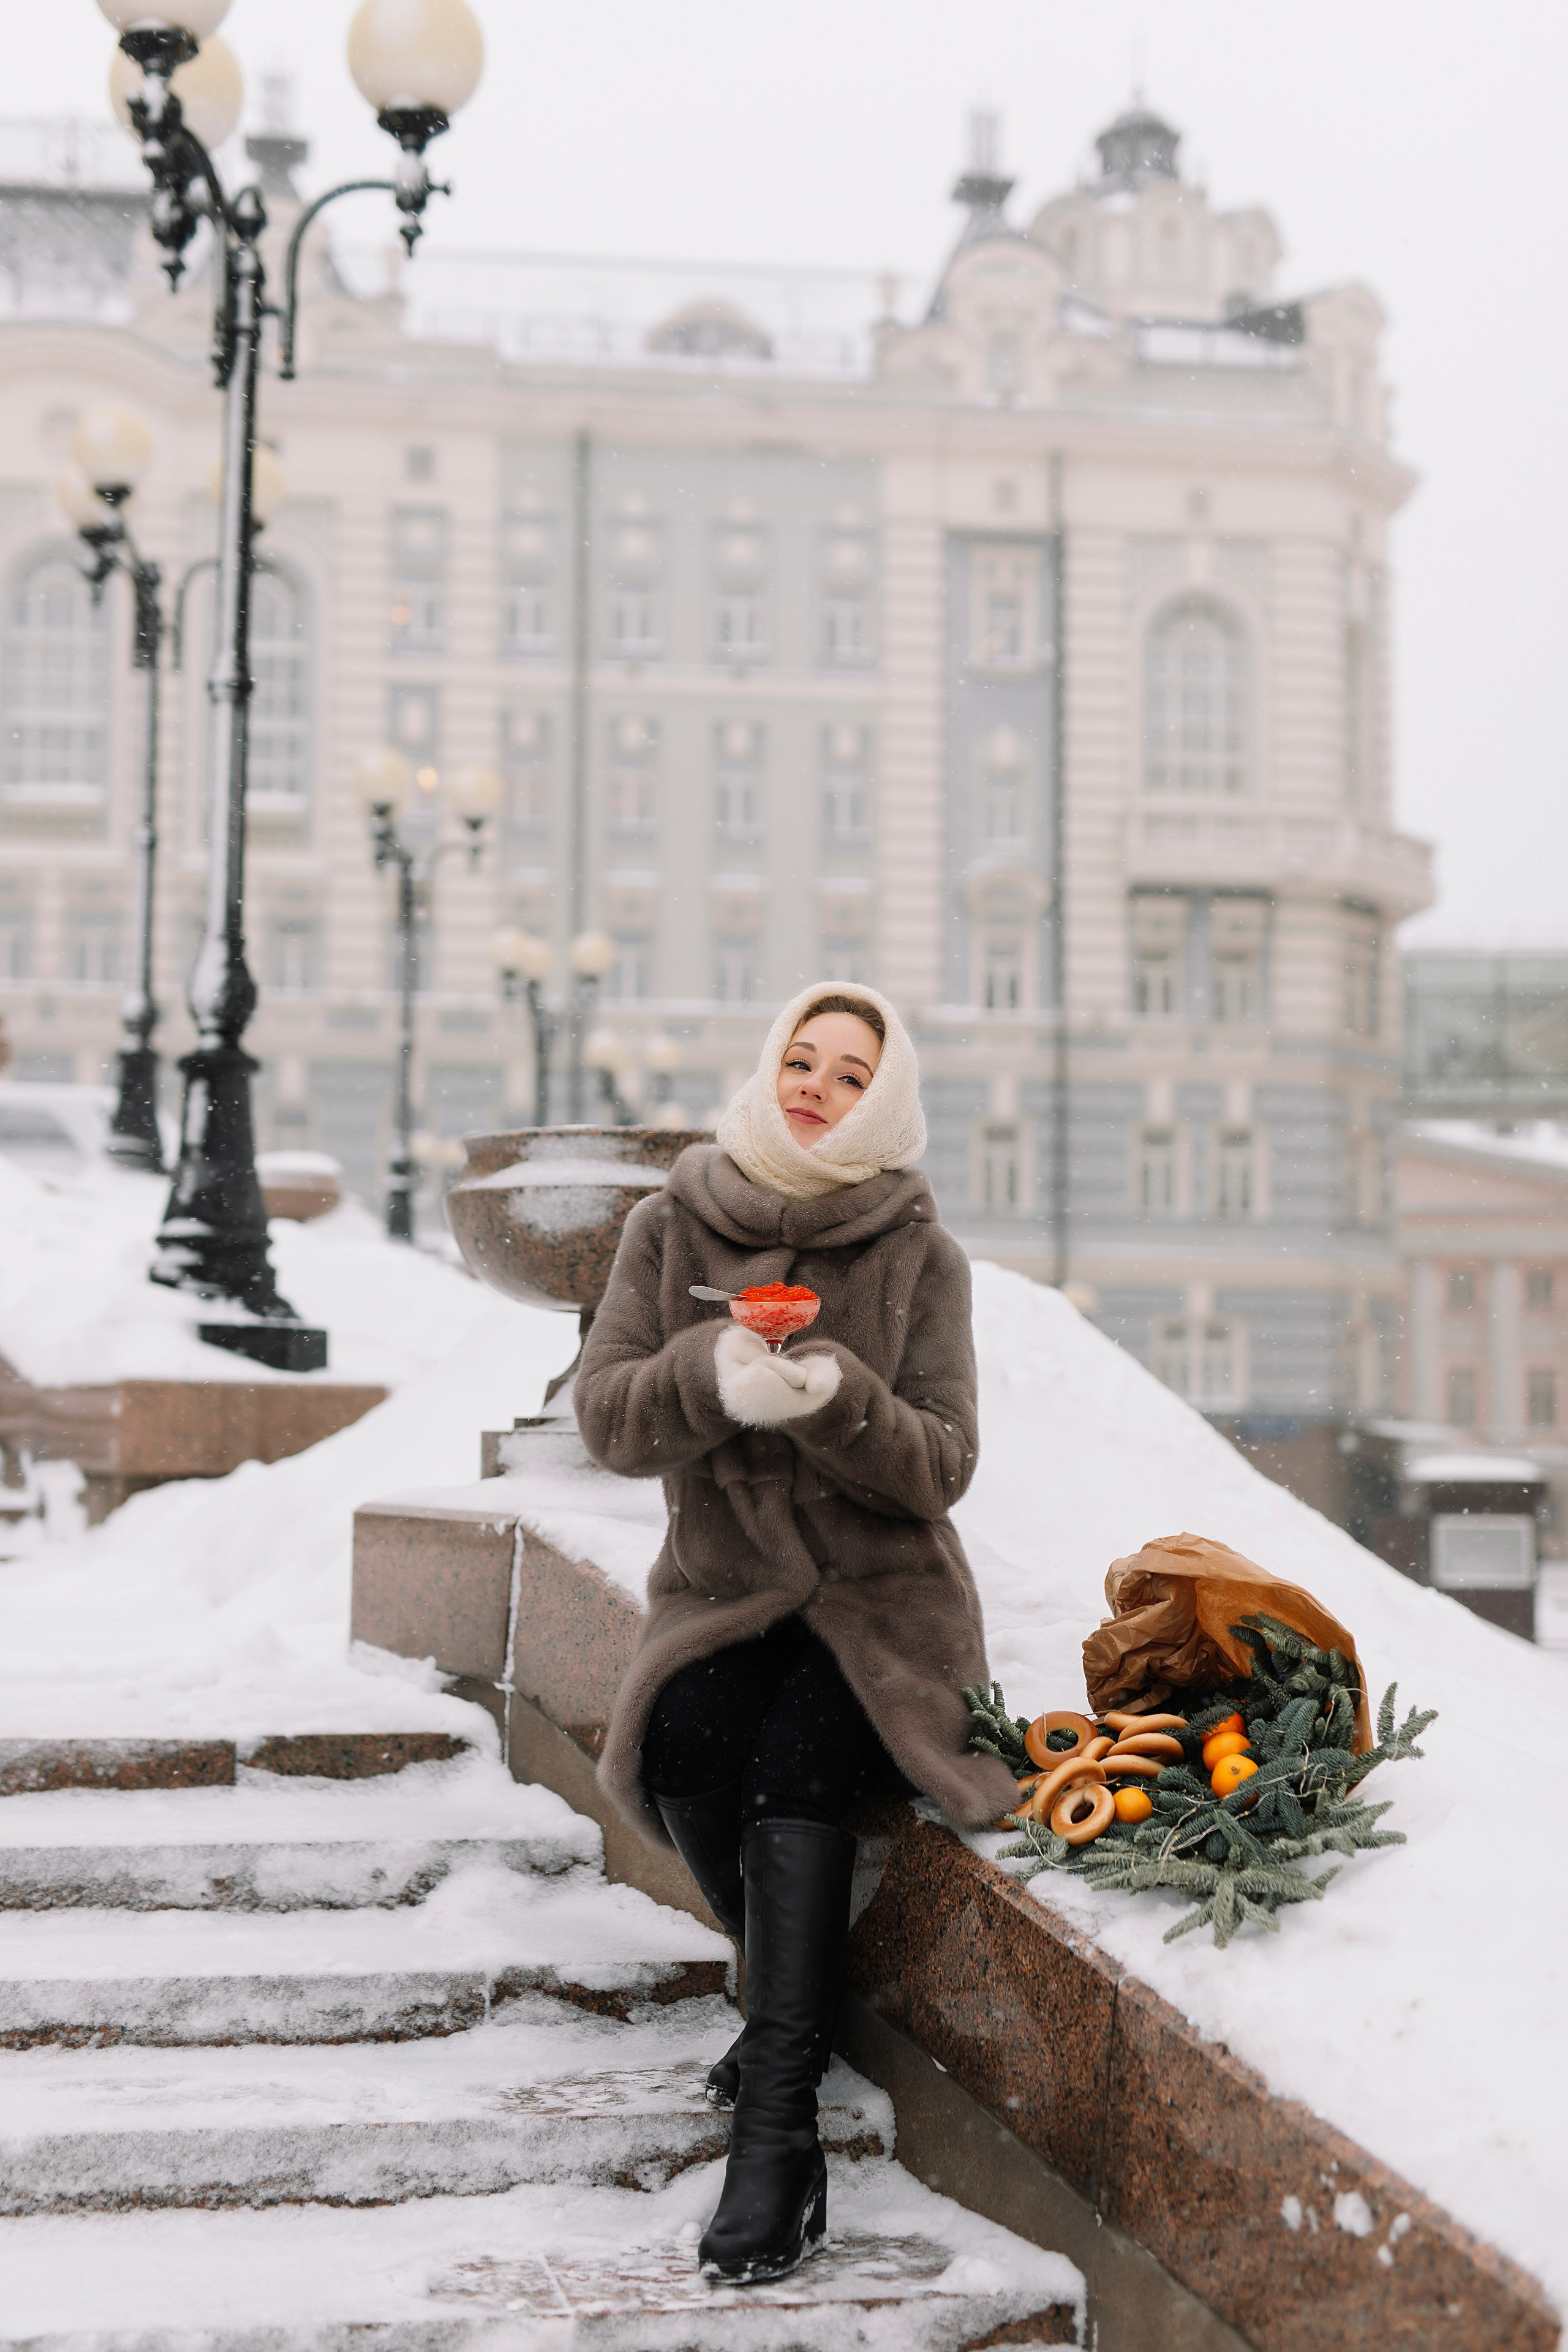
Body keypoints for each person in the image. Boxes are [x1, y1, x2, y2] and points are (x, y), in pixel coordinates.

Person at [575, 981, 1017, 2286]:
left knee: (794, 1770)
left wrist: (834, 1402)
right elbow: (606, 1417)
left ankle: (777, 2139)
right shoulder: (670, 1224)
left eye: (849, 1075)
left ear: (883, 1103)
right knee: (685, 1742)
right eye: (802, 1062)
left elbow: (942, 1464)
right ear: (771, 1069)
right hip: (726, 1593)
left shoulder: (920, 1253)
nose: (816, 1088)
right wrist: (708, 1378)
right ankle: (787, 1996)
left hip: (883, 1607)